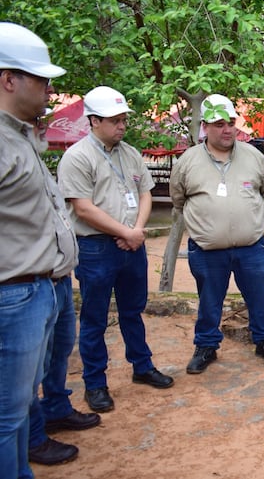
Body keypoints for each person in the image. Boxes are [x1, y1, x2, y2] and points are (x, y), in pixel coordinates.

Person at [58, 85, 174, 414]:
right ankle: (95, 383)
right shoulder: (77, 157)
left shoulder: (130, 153)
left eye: (123, 120)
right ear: (93, 121)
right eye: (114, 120)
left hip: (131, 245)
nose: (122, 126)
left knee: (133, 310)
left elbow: (146, 193)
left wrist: (136, 231)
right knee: (94, 317)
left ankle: (142, 365)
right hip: (96, 248)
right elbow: (83, 208)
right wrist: (126, 232)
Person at [170, 94, 264, 374]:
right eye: (218, 123)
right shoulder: (188, 161)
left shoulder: (254, 157)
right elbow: (179, 198)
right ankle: (206, 346)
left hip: (251, 246)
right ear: (205, 127)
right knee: (209, 300)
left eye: (230, 122)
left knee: (260, 297)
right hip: (208, 249)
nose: (226, 129)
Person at [0, 20, 64, 479]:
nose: (48, 88)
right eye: (40, 78)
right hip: (11, 295)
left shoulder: (21, 135)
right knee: (6, 416)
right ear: (9, 79)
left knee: (18, 408)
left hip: (36, 289)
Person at [28, 111, 101, 467]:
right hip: (23, 283)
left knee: (59, 350)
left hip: (55, 276)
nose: (44, 120)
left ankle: (55, 407)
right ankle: (32, 438)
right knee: (26, 369)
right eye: (37, 119)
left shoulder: (32, 153)